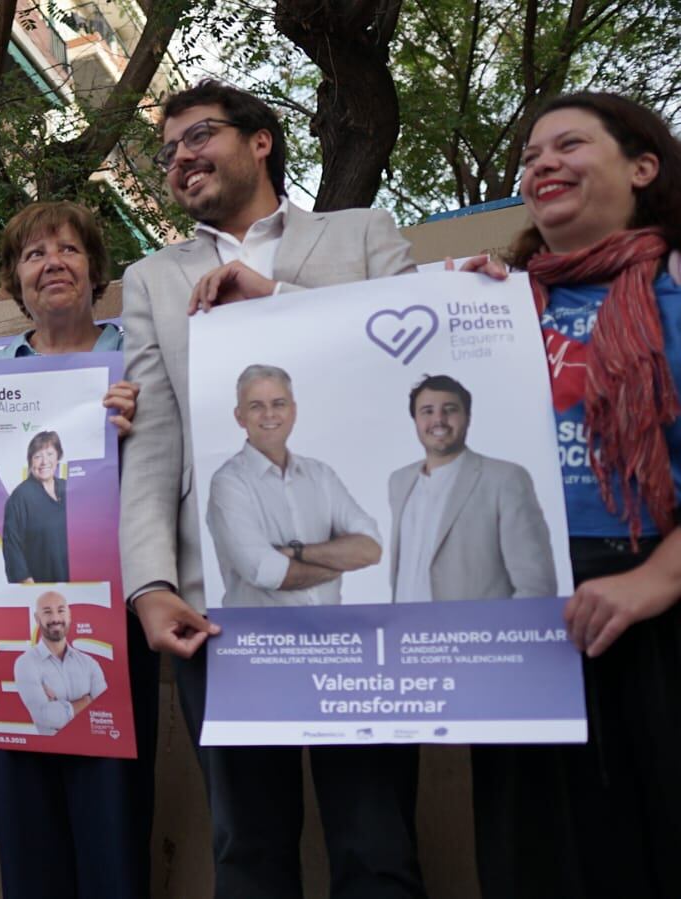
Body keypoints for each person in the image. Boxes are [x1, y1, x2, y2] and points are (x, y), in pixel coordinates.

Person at [119, 80, 425, 897]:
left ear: (260, 141)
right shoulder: (150, 279)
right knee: (245, 843)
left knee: (375, 834)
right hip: (214, 605)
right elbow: (153, 444)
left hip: (364, 604)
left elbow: (409, 360)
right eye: (168, 149)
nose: (180, 157)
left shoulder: (362, 235)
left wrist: (278, 302)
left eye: (198, 135)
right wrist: (148, 584)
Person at [455, 91, 681, 899]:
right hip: (523, 620)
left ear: (641, 168)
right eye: (529, 154)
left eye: (568, 145)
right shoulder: (488, 308)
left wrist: (656, 578)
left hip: (656, 609)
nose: (541, 161)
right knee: (536, 862)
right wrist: (260, 306)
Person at [0, 199, 156, 899]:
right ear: (15, 281)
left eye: (67, 250)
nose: (51, 263)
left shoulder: (139, 357)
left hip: (117, 614)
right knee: (24, 831)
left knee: (112, 819)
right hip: (4, 621)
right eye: (33, 253)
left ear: (94, 270)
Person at [206, 364, 382, 608]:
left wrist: (297, 553)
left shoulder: (321, 476)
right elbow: (266, 571)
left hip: (334, 636)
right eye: (256, 406)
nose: (269, 414)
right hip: (261, 640)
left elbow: (370, 549)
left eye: (278, 404)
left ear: (293, 411)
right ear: (239, 417)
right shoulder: (228, 483)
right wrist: (336, 564)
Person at [386, 375, 555, 603]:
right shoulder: (399, 482)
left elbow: (536, 585)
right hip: (406, 632)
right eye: (427, 411)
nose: (439, 420)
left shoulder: (505, 479)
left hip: (476, 634)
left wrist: (509, 635)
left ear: (468, 417)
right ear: (415, 420)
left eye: (450, 409)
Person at [12, 591, 106, 735]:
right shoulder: (26, 663)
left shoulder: (89, 663)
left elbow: (105, 712)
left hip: (91, 749)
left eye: (61, 611)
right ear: (37, 618)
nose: (55, 618)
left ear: (69, 615)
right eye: (47, 612)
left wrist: (59, 707)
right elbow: (46, 718)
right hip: (46, 753)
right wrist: (87, 701)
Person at [2, 431, 69, 584]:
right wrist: (29, 589)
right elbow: (12, 548)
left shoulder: (69, 489)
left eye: (50, 454)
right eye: (38, 456)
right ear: (30, 461)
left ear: (58, 457)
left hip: (77, 583)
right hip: (41, 590)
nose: (44, 461)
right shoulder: (20, 497)